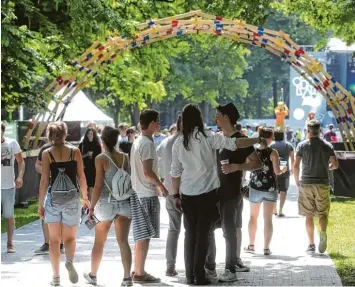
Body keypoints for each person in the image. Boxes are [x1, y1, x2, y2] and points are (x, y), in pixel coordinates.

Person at [171, 104, 262, 285]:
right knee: (203, 235)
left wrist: (175, 196)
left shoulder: (178, 142)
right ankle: (200, 274)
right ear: (198, 119)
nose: (213, 118)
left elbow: (175, 172)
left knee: (190, 235)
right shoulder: (207, 137)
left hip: (187, 194)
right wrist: (256, 140)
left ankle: (190, 275)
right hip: (207, 194)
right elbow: (234, 143)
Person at [205, 103, 262, 282]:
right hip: (212, 192)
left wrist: (237, 166)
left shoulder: (241, 139)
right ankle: (210, 267)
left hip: (231, 193)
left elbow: (257, 163)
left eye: (218, 115)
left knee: (229, 232)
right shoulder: (216, 138)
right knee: (208, 229)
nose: (215, 118)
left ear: (226, 117)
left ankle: (230, 269)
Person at [38, 121, 90, 286]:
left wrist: (40, 204)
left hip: (54, 200)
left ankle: (56, 277)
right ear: (65, 134)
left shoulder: (47, 153)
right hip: (72, 199)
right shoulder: (75, 152)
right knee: (70, 238)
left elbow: (45, 180)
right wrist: (86, 197)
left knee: (54, 240)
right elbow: (81, 176)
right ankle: (69, 261)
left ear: (50, 135)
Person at [84, 127, 133, 286]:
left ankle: (93, 275)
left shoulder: (101, 158)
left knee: (99, 242)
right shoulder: (125, 157)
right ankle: (127, 278)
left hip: (106, 205)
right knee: (123, 241)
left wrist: (91, 208)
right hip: (124, 203)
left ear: (103, 141)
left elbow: (98, 186)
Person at [130, 109, 169, 283]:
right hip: (146, 193)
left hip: (138, 192)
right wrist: (161, 186)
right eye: (158, 121)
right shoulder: (146, 143)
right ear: (152, 123)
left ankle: (137, 269)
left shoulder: (138, 140)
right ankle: (139, 273)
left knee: (141, 236)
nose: (160, 124)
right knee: (144, 236)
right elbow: (147, 172)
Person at [294, 120, 338, 253]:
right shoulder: (327, 145)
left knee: (309, 215)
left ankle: (311, 244)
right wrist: (327, 166)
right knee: (322, 213)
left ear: (308, 131)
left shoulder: (302, 145)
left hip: (306, 182)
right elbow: (335, 165)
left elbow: (296, 166)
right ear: (320, 130)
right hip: (322, 183)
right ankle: (323, 232)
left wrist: (297, 181)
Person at [245, 127, 287, 256]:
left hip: (255, 187)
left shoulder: (252, 151)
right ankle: (266, 248)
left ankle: (251, 245)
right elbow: (277, 172)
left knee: (253, 217)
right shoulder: (273, 152)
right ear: (269, 138)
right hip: (270, 188)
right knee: (268, 218)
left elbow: (248, 167)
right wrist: (283, 169)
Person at [156, 115, 182, 277]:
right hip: (186, 191)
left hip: (169, 190)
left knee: (173, 230)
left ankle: (170, 265)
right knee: (194, 230)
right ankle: (196, 264)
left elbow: (157, 159)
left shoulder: (165, 142)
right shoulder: (185, 143)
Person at [34, 140, 66, 255]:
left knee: (62, 215)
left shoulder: (69, 148)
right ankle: (47, 243)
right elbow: (37, 164)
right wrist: (46, 172)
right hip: (49, 185)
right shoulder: (45, 148)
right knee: (46, 215)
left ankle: (61, 244)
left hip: (64, 187)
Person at [1, 122, 25, 253]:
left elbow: (21, 161)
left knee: (9, 215)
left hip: (8, 186)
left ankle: (10, 244)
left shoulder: (12, 143)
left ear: (2, 131)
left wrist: (20, 176)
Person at [271, 128, 295, 217]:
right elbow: (293, 159)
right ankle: (281, 210)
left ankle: (274, 210)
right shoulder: (289, 146)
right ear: (283, 135)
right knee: (283, 191)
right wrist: (292, 169)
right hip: (285, 171)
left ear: (274, 136)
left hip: (273, 171)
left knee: (273, 190)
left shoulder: (271, 146)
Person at [79, 128, 102, 200]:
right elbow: (78, 157)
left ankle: (90, 205)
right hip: (84, 168)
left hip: (93, 169)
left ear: (94, 135)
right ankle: (86, 204)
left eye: (91, 133)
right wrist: (86, 154)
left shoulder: (97, 145)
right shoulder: (82, 144)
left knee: (91, 186)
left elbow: (99, 158)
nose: (90, 135)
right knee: (85, 187)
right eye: (88, 133)